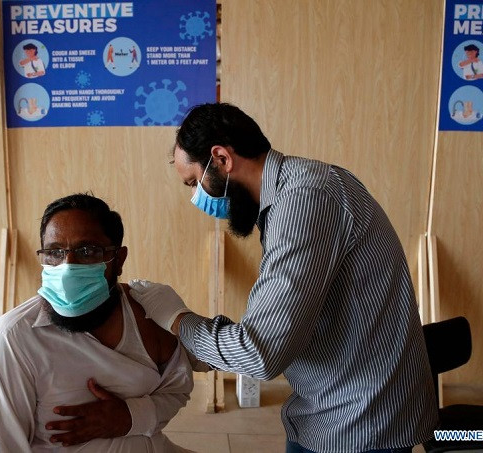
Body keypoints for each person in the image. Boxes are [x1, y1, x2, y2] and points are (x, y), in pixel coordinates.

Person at [128, 103, 440, 452]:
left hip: (360, 420)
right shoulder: (295, 191)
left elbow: (260, 353)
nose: (196, 198)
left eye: (194, 183)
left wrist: (176, 319)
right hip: (336, 400)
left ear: (221, 159)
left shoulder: (305, 200)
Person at [0, 193, 194, 452]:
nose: (68, 268)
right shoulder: (13, 339)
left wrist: (131, 417)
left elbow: (177, 390)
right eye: (54, 252)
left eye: (87, 251)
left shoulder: (146, 313)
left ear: (118, 260)